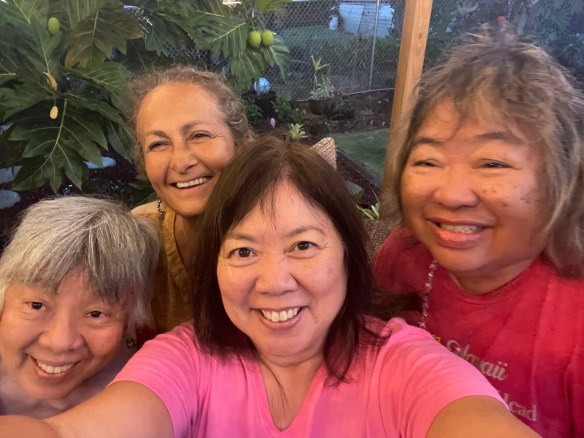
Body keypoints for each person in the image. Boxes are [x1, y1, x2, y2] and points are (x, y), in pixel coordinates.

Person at [0, 137, 538, 437]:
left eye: (303, 245)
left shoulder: (404, 365)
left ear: (348, 255)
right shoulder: (186, 359)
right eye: (243, 251)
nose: (274, 281)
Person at [373, 33, 584, 437]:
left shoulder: (574, 318)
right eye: (428, 161)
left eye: (492, 164)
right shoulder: (402, 255)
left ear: (561, 179)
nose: (451, 194)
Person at [0, 196, 159, 418]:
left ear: (130, 320)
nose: (59, 343)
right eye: (36, 305)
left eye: (96, 314)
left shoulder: (157, 380)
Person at [128, 66, 255, 335]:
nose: (181, 162)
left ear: (242, 144)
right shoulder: (138, 241)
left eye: (199, 135)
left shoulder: (287, 227)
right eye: (158, 144)